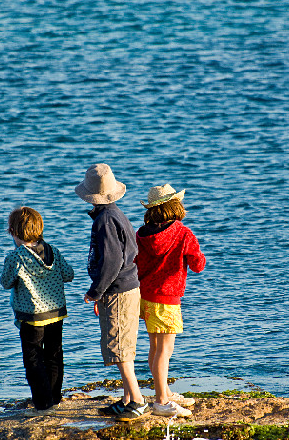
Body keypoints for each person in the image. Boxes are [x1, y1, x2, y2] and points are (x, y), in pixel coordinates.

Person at [75, 163, 147, 421]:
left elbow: (112, 262)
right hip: (124, 288)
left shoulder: (105, 220)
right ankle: (127, 399)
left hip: (118, 290)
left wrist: (96, 291)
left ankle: (137, 400)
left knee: (119, 348)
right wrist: (102, 292)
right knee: (121, 346)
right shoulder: (116, 215)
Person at [134, 184, 205, 418]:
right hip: (167, 298)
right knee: (165, 350)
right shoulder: (183, 233)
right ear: (175, 206)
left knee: (155, 347)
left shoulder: (141, 234)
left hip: (146, 296)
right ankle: (162, 401)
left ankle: (162, 391)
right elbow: (198, 265)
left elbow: (137, 264)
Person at [0, 206, 74, 416]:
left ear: (14, 232)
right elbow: (69, 274)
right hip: (56, 312)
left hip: (31, 316)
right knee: (54, 354)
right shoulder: (53, 251)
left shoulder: (16, 257)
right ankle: (54, 397)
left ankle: (42, 404)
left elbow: (6, 282)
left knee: (33, 360)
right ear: (39, 228)